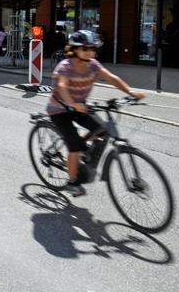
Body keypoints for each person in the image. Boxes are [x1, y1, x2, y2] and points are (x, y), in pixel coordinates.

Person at [47, 29, 144, 194]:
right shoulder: (65, 67)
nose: (90, 52)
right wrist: (72, 103)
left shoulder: (93, 65)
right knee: (75, 146)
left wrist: (130, 92)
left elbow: (111, 78)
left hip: (80, 106)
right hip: (59, 109)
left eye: (93, 49)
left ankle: (82, 149)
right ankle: (73, 182)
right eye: (85, 49)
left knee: (103, 129)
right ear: (75, 49)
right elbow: (62, 87)